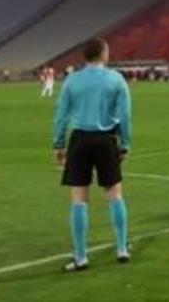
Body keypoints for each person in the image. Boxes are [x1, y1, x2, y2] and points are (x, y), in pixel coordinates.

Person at [52, 38, 132, 271]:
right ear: (104, 54)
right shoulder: (116, 79)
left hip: (80, 140)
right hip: (106, 139)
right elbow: (125, 115)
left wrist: (58, 143)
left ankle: (81, 256)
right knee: (115, 194)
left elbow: (61, 115)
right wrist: (124, 143)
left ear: (84, 56)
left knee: (79, 198)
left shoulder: (72, 80)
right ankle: (121, 249)